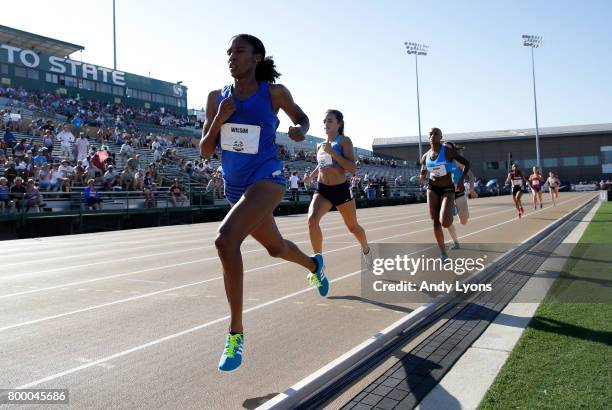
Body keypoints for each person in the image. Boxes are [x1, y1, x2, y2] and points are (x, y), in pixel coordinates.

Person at [199, 34, 325, 372]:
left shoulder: (274, 93)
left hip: (268, 179)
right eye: (229, 52)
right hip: (235, 187)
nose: (232, 56)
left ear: (256, 58)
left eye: (239, 51)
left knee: (225, 240)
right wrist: (217, 120)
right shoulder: (216, 98)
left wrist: (300, 129)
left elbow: (302, 119)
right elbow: (205, 151)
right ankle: (314, 266)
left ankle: (235, 334)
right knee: (276, 248)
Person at [304, 110, 373, 268]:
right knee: (312, 220)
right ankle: (318, 262)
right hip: (322, 190)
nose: (325, 124)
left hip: (341, 190)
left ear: (338, 124)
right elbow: (321, 165)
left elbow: (352, 168)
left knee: (353, 227)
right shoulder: (320, 145)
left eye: (329, 121)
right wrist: (311, 177)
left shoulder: (344, 141)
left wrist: (333, 153)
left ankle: (366, 249)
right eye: (324, 121)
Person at [419, 128, 470, 260]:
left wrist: (462, 179)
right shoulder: (425, 156)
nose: (433, 135)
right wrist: (421, 176)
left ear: (441, 137)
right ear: (427, 137)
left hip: (447, 189)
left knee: (445, 222)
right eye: (430, 133)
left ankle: (448, 211)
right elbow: (423, 169)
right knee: (435, 221)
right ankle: (443, 254)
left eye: (436, 133)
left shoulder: (447, 152)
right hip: (432, 188)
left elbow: (467, 164)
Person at [444, 142, 474, 250]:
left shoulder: (457, 162)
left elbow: (471, 175)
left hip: (459, 193)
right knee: (446, 219)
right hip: (446, 194)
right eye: (444, 148)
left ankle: (457, 210)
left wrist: (471, 189)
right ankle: (456, 242)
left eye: (448, 149)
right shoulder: (439, 163)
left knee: (463, 221)